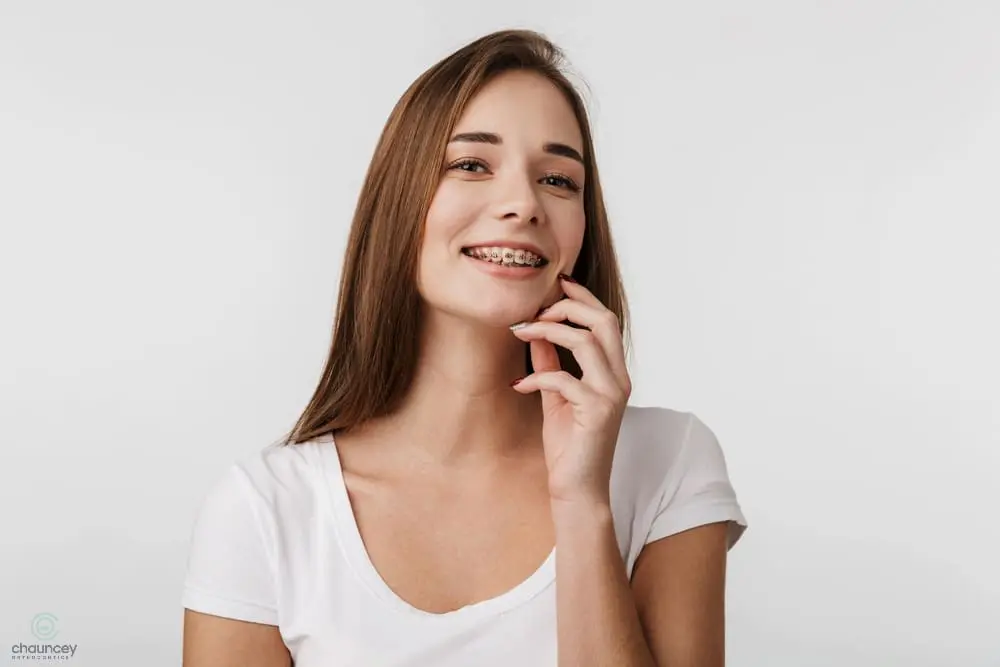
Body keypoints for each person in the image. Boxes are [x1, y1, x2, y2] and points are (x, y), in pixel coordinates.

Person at [181, 28, 747, 667]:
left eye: (559, 180)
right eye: (472, 164)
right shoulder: (264, 511)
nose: (523, 204)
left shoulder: (670, 466)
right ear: (399, 203)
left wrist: (583, 504)